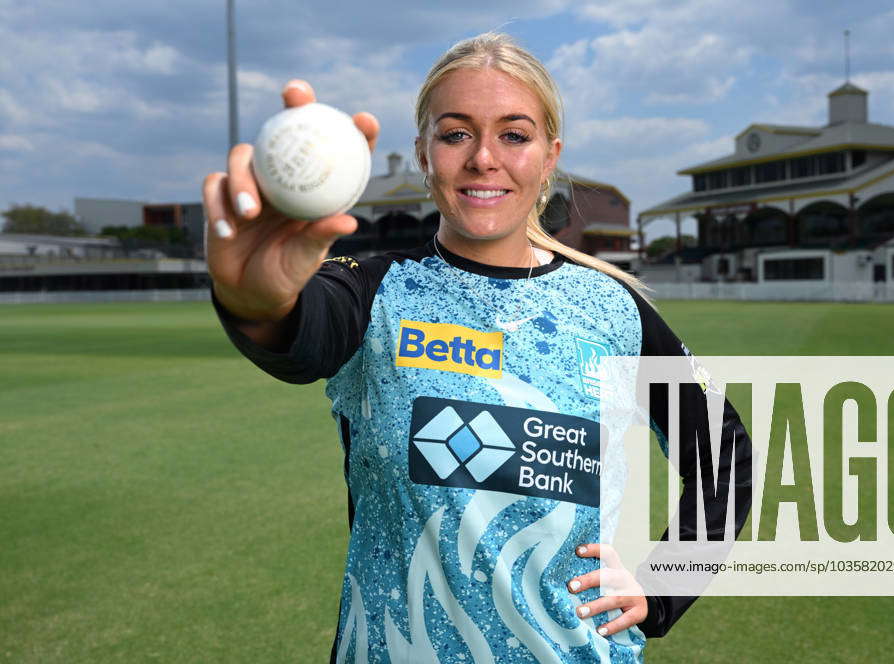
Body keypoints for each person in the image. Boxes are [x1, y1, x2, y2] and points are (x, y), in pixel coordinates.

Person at [204, 32, 752, 663]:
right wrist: (257, 301)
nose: (484, 158)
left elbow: (723, 449)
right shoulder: (373, 290)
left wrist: (664, 586)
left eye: (514, 135)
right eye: (456, 133)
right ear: (423, 152)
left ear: (550, 156)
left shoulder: (614, 309)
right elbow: (300, 339)